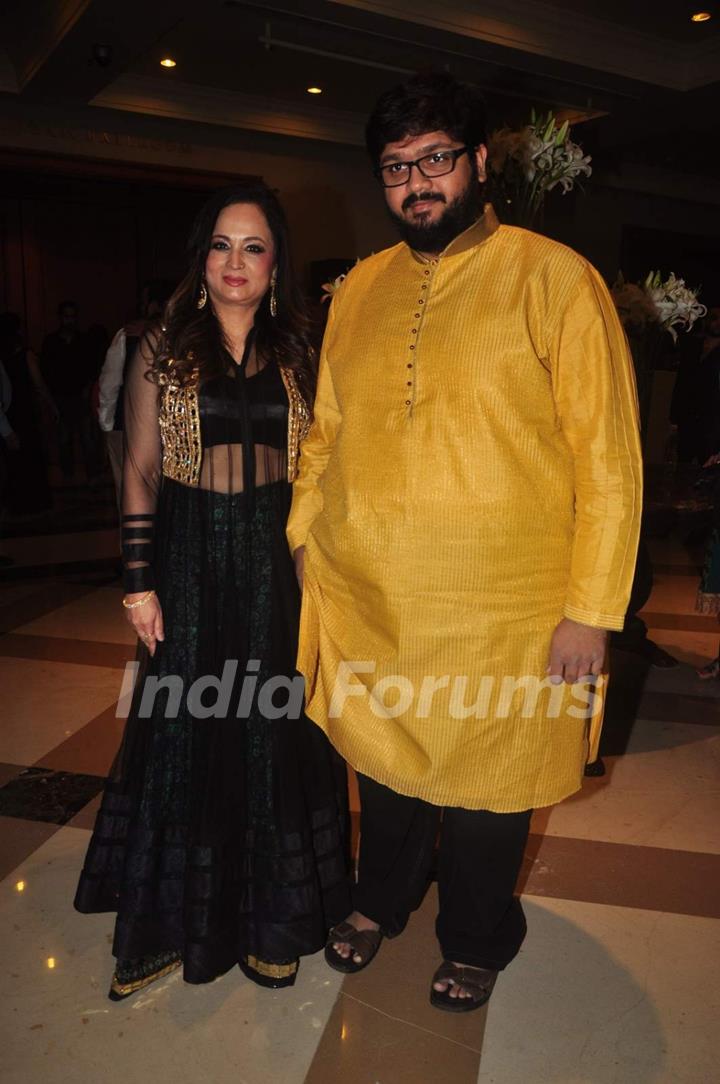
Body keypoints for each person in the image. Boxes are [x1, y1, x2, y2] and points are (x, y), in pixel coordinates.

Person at [287, 72, 642, 1012]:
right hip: (373, 595)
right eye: (396, 167)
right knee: (390, 768)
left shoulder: (554, 278)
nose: (417, 183)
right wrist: (303, 541)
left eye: (436, 158)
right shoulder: (358, 288)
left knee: (490, 784)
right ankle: (382, 900)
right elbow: (323, 433)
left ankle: (479, 935)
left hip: (510, 608)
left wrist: (591, 611)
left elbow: (608, 456)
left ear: (480, 163)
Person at [74, 182, 351, 1000]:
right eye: (222, 245)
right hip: (188, 559)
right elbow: (138, 469)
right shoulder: (164, 344)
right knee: (185, 735)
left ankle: (272, 919)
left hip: (275, 565)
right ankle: (165, 926)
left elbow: (316, 472)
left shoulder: (301, 348)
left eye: (254, 247)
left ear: (276, 264)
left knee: (270, 735)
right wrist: (138, 587)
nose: (237, 262)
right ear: (202, 258)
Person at [98, 281, 174, 513]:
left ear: (152, 305)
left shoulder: (129, 335)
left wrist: (107, 423)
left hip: (128, 428)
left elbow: (109, 383)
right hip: (172, 432)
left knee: (130, 493)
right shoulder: (188, 335)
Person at [0, 312, 53, 514]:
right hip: (24, 412)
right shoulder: (25, 355)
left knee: (13, 459)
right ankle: (34, 501)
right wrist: (51, 405)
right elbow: (38, 383)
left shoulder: (4, 356)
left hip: (8, 412)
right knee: (31, 456)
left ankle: (16, 501)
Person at [39, 301, 96, 481]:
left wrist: (88, 389)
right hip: (61, 398)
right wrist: (51, 398)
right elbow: (46, 370)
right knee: (64, 439)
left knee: (87, 439)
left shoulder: (84, 340)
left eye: (72, 316)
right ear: (60, 318)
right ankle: (68, 476)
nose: (69, 320)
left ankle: (91, 477)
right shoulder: (51, 342)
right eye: (66, 316)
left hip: (81, 397)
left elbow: (92, 368)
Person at [671, 304, 720, 465]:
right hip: (687, 419)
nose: (718, 323)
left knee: (707, 474)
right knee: (681, 467)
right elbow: (681, 382)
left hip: (712, 424)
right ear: (706, 320)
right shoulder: (692, 346)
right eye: (714, 318)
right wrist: (674, 418)